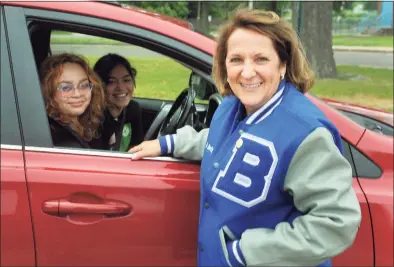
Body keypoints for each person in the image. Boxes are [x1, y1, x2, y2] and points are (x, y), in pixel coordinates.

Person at [130, 9, 361, 267]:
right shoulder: (232, 106)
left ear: (283, 65)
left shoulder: (305, 133)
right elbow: (225, 143)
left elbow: (336, 222)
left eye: (261, 59)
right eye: (236, 59)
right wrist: (169, 143)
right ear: (224, 66)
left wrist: (245, 252)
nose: (247, 72)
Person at [40, 53, 105, 149]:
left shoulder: (87, 124)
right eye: (66, 87)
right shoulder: (60, 140)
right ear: (48, 92)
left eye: (84, 85)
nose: (77, 94)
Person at [94, 53, 143, 152]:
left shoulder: (133, 109)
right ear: (99, 85)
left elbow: (135, 148)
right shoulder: (93, 118)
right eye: (112, 81)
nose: (121, 87)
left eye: (126, 80)